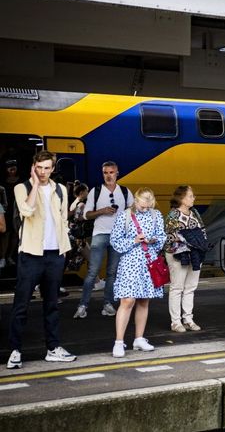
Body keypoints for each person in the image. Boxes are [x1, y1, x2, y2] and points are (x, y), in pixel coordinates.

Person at [6, 151, 77, 369]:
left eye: (47, 168)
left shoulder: (61, 190)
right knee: (21, 305)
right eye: (39, 167)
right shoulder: (22, 188)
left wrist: (64, 248)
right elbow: (26, 210)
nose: (43, 172)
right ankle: (15, 351)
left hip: (55, 255)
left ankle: (53, 349)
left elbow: (64, 219)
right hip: (30, 254)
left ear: (53, 168)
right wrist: (35, 185)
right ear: (33, 167)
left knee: (52, 304)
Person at [109, 187, 166, 358]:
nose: (145, 209)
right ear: (136, 201)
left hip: (148, 261)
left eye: (148, 207)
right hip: (129, 261)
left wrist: (154, 241)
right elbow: (115, 241)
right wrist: (134, 240)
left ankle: (139, 338)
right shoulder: (124, 216)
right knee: (127, 300)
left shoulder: (156, 215)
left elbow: (162, 236)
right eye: (142, 207)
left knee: (144, 300)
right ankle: (119, 342)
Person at [75, 162, 133, 319]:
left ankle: (107, 304)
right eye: (105, 172)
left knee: (112, 273)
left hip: (118, 236)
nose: (108, 175)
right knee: (93, 271)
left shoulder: (125, 192)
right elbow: (85, 215)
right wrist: (102, 211)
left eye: (111, 172)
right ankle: (83, 305)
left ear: (117, 173)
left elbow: (133, 214)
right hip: (100, 234)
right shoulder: (96, 191)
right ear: (102, 174)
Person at [163, 185, 206, 332]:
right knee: (177, 287)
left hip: (195, 254)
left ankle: (188, 319)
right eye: (190, 196)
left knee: (190, 287)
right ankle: (175, 322)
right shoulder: (173, 215)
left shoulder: (194, 212)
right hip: (178, 255)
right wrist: (190, 241)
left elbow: (203, 230)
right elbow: (169, 237)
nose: (193, 198)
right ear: (181, 198)